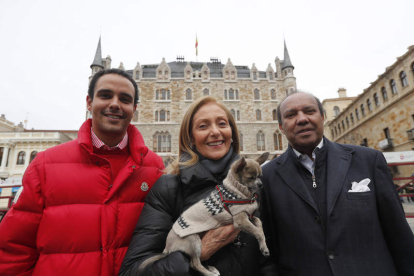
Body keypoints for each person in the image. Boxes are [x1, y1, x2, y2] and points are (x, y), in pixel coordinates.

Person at [0, 69, 164, 276]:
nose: (115, 104)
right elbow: (14, 248)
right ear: (89, 102)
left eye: (124, 99)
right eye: (105, 95)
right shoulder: (45, 165)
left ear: (134, 108)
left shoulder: (155, 167)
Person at [261, 91, 414, 276]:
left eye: (309, 111)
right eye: (291, 115)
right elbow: (267, 248)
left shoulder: (368, 160)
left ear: (323, 117)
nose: (301, 119)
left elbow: (399, 234)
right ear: (281, 127)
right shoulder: (266, 177)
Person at [119, 96, 276, 276]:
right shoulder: (169, 187)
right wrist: (197, 253)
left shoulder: (253, 186)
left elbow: (267, 261)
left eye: (222, 124)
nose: (215, 131)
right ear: (190, 138)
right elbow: (133, 270)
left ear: (232, 133)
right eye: (203, 126)